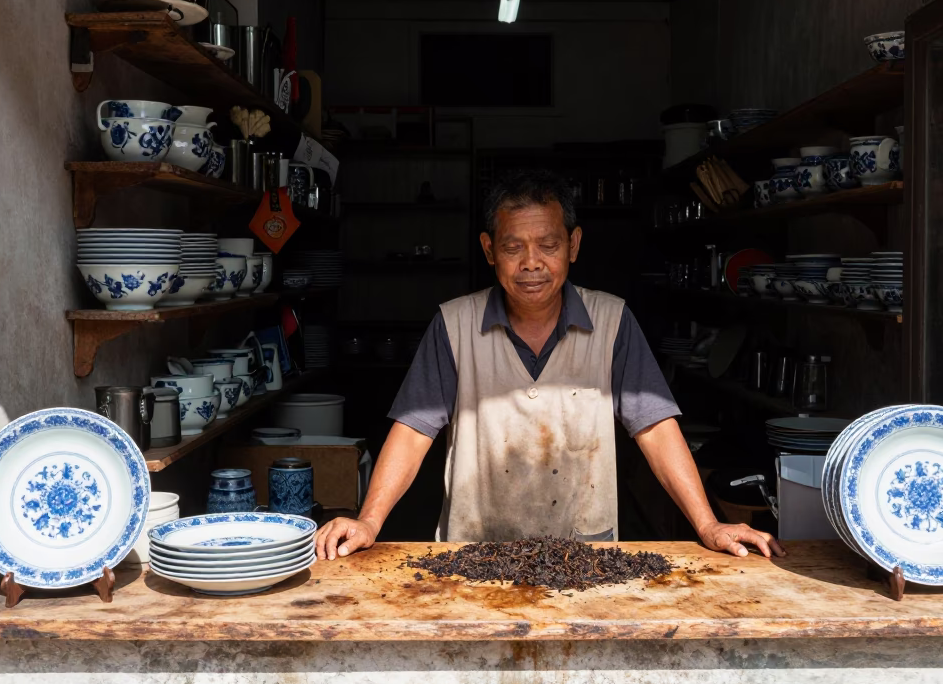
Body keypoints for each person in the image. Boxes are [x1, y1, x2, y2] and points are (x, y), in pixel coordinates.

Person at [316, 169, 784, 561]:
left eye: (548, 244)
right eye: (513, 247)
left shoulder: (612, 320)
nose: (531, 263)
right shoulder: (454, 324)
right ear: (488, 250)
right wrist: (369, 520)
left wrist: (707, 524)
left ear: (574, 245)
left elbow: (655, 426)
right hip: (473, 555)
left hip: (586, 555)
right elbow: (414, 430)